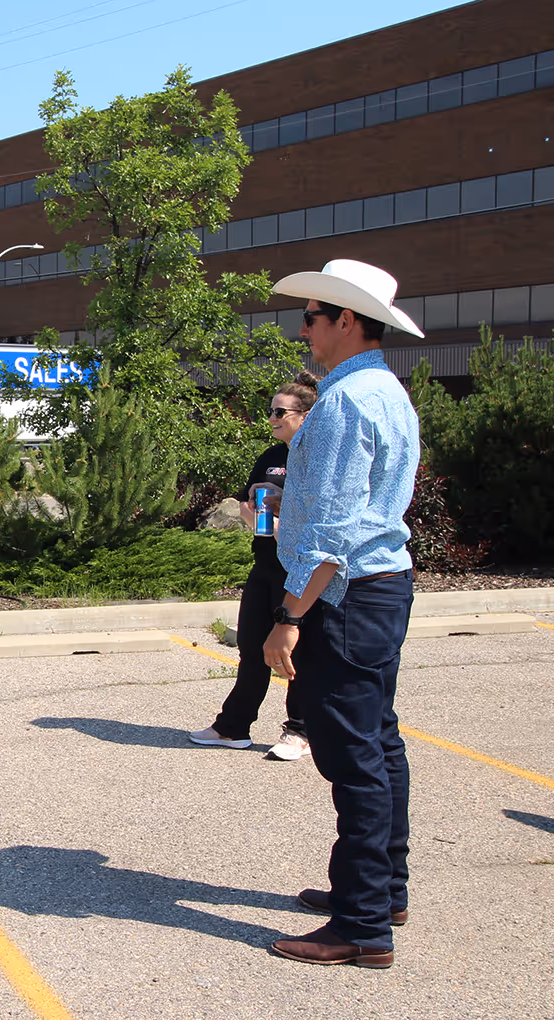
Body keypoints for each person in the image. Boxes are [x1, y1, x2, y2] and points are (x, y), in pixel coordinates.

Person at [262, 259, 423, 969]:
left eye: (312, 317)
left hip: (343, 594)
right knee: (379, 740)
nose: (304, 329)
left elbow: (333, 527)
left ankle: (362, 926)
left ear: (345, 322)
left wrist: (289, 613)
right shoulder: (385, 391)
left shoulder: (344, 404)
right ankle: (381, 890)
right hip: (381, 586)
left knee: (352, 754)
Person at [188, 372, 319, 761]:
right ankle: (233, 727)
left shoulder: (317, 459)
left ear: (306, 415)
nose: (273, 417)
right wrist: (260, 522)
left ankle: (299, 730)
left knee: (298, 654)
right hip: (265, 565)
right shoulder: (271, 457)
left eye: (281, 411)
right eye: (270, 411)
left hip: (301, 571)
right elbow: (251, 504)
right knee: (251, 648)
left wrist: (284, 531)